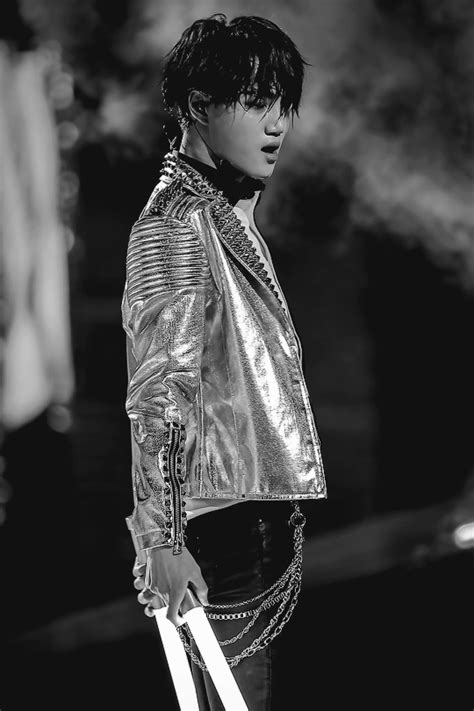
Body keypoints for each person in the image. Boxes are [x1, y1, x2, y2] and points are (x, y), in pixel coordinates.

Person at [121, 13, 327, 709]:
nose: (277, 125)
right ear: (198, 106)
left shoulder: (223, 214)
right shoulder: (177, 223)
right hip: (218, 529)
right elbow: (159, 390)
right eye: (257, 101)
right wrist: (163, 537)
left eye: (283, 105)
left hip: (246, 520)